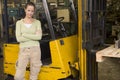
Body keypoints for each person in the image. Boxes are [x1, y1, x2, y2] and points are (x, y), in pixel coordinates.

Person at [14, 2, 42, 80]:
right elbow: (18, 39)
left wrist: (24, 35)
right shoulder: (19, 23)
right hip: (23, 50)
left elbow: (39, 37)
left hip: (35, 49)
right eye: (28, 10)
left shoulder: (37, 22)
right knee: (18, 76)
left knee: (34, 74)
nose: (30, 13)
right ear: (25, 10)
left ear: (34, 11)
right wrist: (34, 36)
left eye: (32, 11)